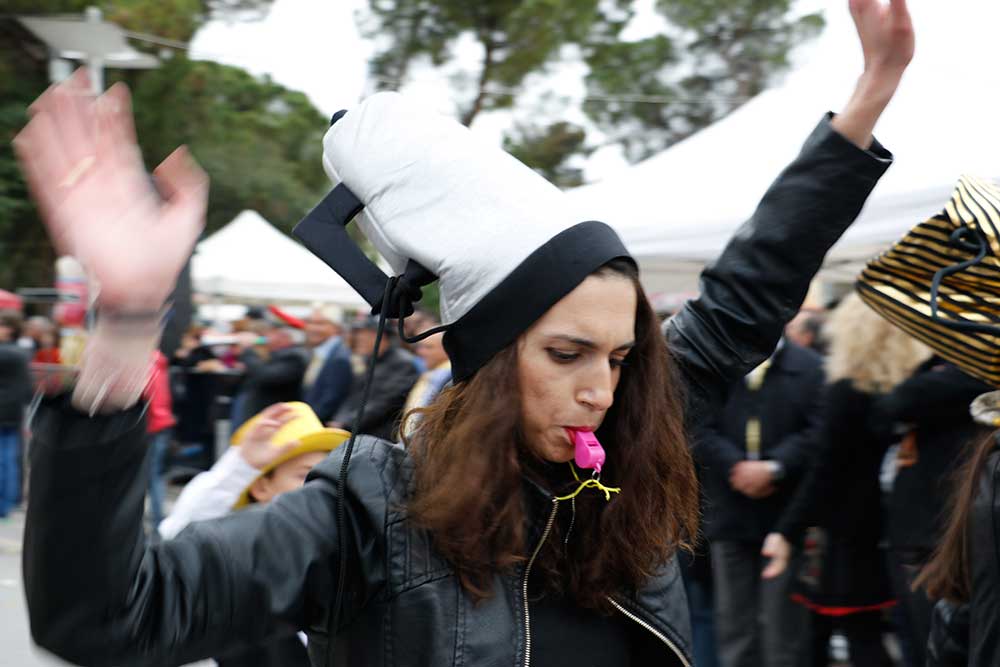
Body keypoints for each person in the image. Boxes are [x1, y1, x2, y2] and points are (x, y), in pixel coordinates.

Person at [13, 2, 913, 664]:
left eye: (619, 357)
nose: (601, 389)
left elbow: (744, 296)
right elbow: (110, 614)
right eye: (565, 353)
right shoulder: (367, 514)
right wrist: (127, 323)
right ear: (486, 355)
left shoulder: (627, 460)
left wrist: (866, 102)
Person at [762, 293, 933, 666]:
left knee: (845, 634)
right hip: (897, 527)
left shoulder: (848, 389)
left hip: (847, 531)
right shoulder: (916, 387)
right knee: (883, 633)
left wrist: (787, 529)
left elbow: (826, 468)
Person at [159, 402, 348, 667]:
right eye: (305, 476)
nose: (320, 492)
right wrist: (241, 467)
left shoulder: (339, 553)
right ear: (261, 487)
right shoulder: (239, 559)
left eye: (328, 480)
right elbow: (179, 541)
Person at [695, 336, 825, 667]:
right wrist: (735, 466)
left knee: (783, 622)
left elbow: (818, 432)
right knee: (733, 621)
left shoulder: (810, 367)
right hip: (729, 509)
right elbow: (697, 424)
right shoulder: (717, 365)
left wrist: (774, 467)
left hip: (785, 514)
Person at [329, 316, 419, 440]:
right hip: (357, 431)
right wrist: (339, 420)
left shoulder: (402, 363)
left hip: (379, 437)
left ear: (383, 337)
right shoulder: (370, 360)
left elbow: (384, 403)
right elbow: (354, 397)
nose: (359, 340)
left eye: (365, 336)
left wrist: (346, 423)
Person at [0, 310, 31, 519]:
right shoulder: (21, 352)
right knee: (10, 457)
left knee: (4, 459)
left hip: (3, 411)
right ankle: (9, 501)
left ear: (9, 329)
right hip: (14, 411)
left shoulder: (5, 352)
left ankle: (3, 503)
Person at [302, 304, 353, 423]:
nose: (312, 328)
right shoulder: (321, 352)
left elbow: (330, 401)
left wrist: (307, 422)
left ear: (336, 328)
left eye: (320, 323)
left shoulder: (339, 357)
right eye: (309, 322)